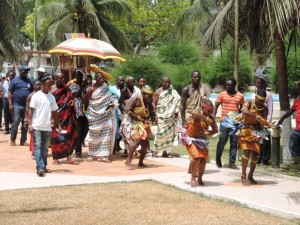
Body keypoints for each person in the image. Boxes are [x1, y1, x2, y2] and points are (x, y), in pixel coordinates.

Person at [181, 99, 218, 187]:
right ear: (203, 108)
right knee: (196, 158)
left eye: (211, 111)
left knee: (203, 160)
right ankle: (193, 178)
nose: (209, 113)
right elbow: (194, 114)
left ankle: (200, 178)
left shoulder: (211, 117)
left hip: (202, 140)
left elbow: (216, 129)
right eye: (208, 111)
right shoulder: (198, 112)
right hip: (191, 139)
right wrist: (205, 118)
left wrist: (209, 133)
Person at [237, 89, 271, 185]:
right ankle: (243, 176)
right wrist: (256, 116)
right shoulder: (249, 102)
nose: (261, 102)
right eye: (260, 100)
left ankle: (250, 175)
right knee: (246, 151)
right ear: (256, 97)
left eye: (263, 101)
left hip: (256, 132)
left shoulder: (264, 109)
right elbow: (244, 110)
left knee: (255, 153)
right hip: (246, 130)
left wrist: (264, 122)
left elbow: (263, 122)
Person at [83, 72, 118, 163]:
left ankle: (104, 156)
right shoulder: (91, 89)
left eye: (103, 78)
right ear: (96, 79)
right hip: (94, 116)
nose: (102, 79)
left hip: (106, 115)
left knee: (106, 134)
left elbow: (111, 96)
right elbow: (84, 100)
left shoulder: (105, 86)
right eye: (100, 78)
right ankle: (91, 155)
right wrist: (94, 107)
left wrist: (112, 103)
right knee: (94, 134)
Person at [28, 75, 59, 177]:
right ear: (42, 85)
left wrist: (57, 124)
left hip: (47, 127)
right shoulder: (36, 96)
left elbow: (55, 112)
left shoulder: (52, 97)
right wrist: (30, 125)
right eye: (49, 85)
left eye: (51, 85)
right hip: (37, 126)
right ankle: (40, 167)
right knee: (37, 147)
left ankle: (43, 166)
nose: (51, 87)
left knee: (45, 148)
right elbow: (30, 111)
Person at [181, 70, 211, 173]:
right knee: (191, 141)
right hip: (190, 117)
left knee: (200, 141)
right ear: (191, 77)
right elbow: (182, 106)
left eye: (198, 77)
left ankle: (194, 165)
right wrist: (183, 121)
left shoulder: (204, 88)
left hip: (201, 118)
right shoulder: (186, 89)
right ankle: (193, 165)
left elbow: (207, 98)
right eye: (195, 77)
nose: (197, 78)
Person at [213, 78, 244, 169]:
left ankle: (232, 162)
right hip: (224, 122)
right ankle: (218, 158)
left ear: (234, 85)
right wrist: (213, 116)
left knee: (234, 143)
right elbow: (216, 105)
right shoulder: (221, 95)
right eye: (226, 85)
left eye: (229, 85)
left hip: (235, 123)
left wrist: (241, 120)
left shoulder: (240, 96)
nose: (227, 86)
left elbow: (242, 109)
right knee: (222, 140)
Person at [124, 85, 156, 168]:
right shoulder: (137, 99)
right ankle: (128, 160)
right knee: (136, 141)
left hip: (145, 124)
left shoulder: (149, 103)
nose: (150, 97)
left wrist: (152, 119)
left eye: (151, 95)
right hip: (136, 123)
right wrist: (137, 117)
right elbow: (128, 110)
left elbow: (152, 113)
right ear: (143, 94)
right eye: (149, 95)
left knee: (145, 145)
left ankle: (141, 162)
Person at [51, 73, 78, 165]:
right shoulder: (51, 90)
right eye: (60, 78)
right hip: (56, 117)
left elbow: (71, 101)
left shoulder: (67, 89)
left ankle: (69, 156)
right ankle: (55, 158)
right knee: (56, 137)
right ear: (55, 79)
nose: (63, 79)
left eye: (63, 77)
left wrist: (70, 104)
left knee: (69, 136)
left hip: (67, 117)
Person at [152, 76, 181, 157]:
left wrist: (176, 112)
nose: (167, 84)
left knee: (169, 135)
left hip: (170, 117)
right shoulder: (158, 92)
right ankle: (155, 150)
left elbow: (177, 101)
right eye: (166, 82)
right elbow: (153, 103)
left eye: (169, 82)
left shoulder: (173, 92)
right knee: (160, 134)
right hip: (161, 116)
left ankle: (165, 152)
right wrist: (154, 115)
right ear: (162, 83)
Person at [8, 65, 33, 146]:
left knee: (25, 123)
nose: (26, 72)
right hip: (17, 105)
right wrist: (10, 105)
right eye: (24, 71)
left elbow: (32, 91)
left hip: (27, 106)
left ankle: (23, 140)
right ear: (20, 71)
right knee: (16, 121)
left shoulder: (29, 80)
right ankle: (13, 139)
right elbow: (9, 93)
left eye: (27, 71)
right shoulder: (14, 81)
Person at [277, 80, 300, 163]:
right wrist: (282, 118)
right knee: (292, 145)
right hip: (298, 129)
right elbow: (291, 110)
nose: (299, 88)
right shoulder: (298, 99)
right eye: (298, 86)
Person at [252, 77, 273, 166]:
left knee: (266, 142)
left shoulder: (268, 95)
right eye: (257, 83)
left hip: (264, 121)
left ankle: (265, 160)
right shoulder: (253, 95)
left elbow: (270, 109)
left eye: (261, 83)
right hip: (256, 123)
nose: (259, 84)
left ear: (264, 84)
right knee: (257, 140)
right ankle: (258, 159)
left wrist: (267, 122)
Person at [69, 70, 89, 158]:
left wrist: (85, 88)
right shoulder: (73, 86)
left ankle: (77, 143)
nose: (80, 78)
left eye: (81, 76)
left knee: (86, 129)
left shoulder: (85, 86)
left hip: (84, 112)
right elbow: (76, 95)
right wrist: (82, 87)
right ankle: (78, 151)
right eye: (78, 76)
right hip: (77, 113)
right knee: (79, 131)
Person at [119, 76, 141, 156]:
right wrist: (124, 113)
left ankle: (137, 150)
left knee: (135, 132)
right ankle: (127, 149)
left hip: (135, 114)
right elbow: (119, 104)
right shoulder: (125, 91)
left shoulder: (137, 91)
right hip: (127, 115)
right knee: (126, 132)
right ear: (127, 83)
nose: (132, 83)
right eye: (130, 82)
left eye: (133, 82)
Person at [25, 80, 42, 155]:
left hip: (41, 117)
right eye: (36, 85)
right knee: (34, 135)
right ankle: (34, 150)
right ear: (33, 86)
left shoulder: (43, 95)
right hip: (33, 118)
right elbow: (27, 109)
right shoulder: (30, 96)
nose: (38, 86)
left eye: (39, 85)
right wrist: (26, 120)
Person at [110, 75, 125, 153]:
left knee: (121, 129)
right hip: (115, 112)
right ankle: (114, 145)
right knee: (115, 129)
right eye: (120, 80)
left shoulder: (124, 89)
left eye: (123, 80)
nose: (122, 82)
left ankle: (118, 144)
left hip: (122, 113)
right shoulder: (112, 89)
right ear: (117, 81)